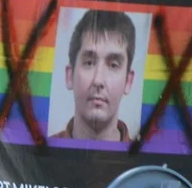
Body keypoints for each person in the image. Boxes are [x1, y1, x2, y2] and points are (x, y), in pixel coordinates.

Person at [50, 9, 136, 143]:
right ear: (69, 75)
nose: (98, 80)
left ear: (128, 81)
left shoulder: (146, 160)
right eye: (89, 63)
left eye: (113, 65)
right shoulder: (39, 154)